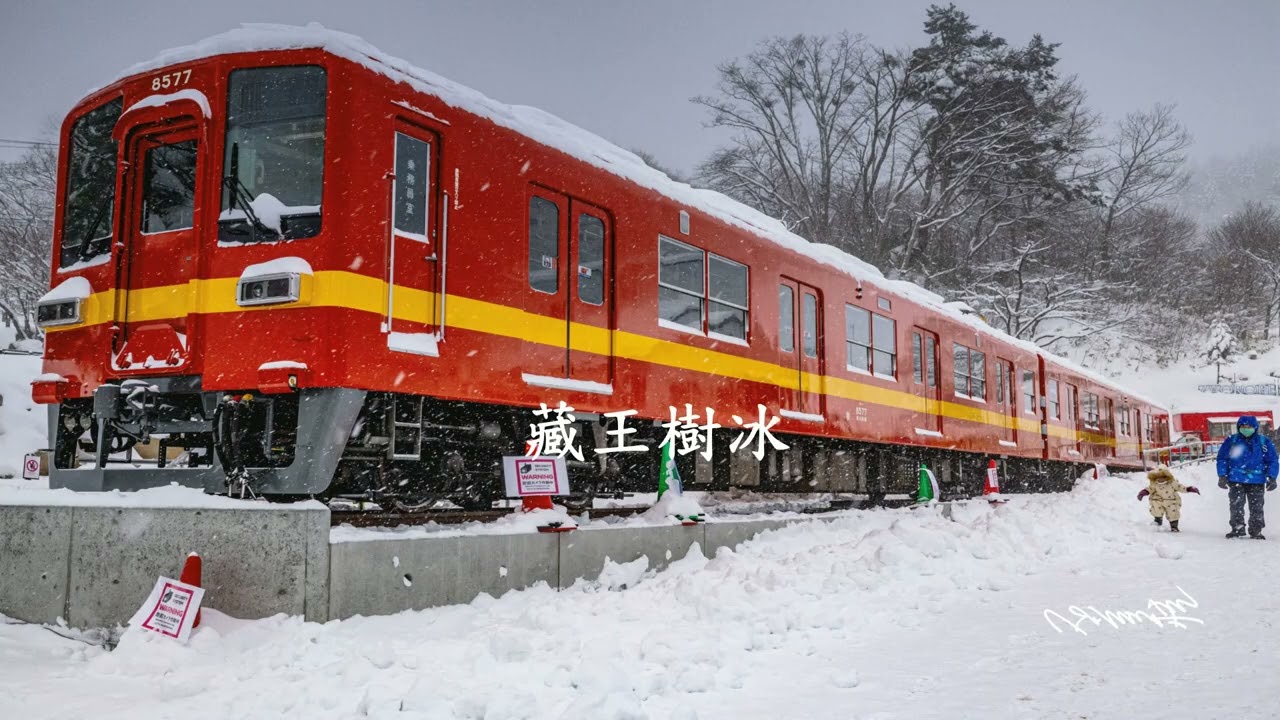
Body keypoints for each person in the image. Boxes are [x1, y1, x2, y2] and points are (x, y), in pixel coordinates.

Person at [1216, 415, 1279, 539]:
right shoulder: (1232, 441)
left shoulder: (1263, 442)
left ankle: (1256, 530)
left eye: (1249, 426)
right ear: (1238, 427)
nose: (1246, 428)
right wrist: (1222, 475)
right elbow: (1222, 458)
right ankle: (1237, 528)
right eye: (1243, 426)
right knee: (1236, 505)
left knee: (1257, 506)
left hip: (1257, 480)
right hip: (1236, 479)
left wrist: (1272, 477)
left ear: (1255, 427)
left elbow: (1272, 460)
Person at [1137, 464, 1199, 532]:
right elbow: (1149, 489)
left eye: (1163, 476)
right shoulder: (1155, 484)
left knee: (1173, 512)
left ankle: (1174, 526)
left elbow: (1181, 487)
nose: (1160, 479)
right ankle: (1157, 520)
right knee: (1156, 507)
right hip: (1159, 500)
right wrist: (1142, 493)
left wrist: (1190, 489)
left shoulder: (1172, 483)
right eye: (1158, 477)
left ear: (1167, 476)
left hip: (1171, 501)